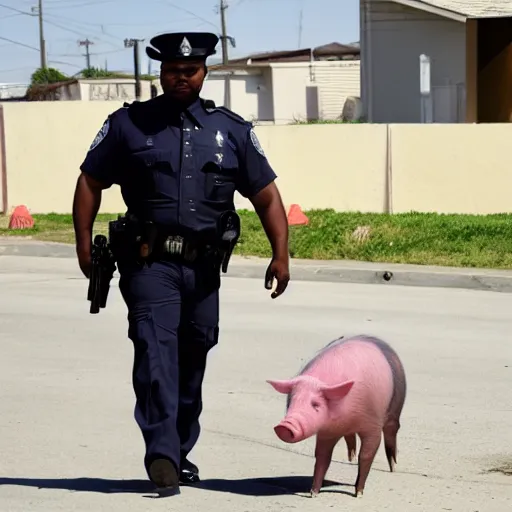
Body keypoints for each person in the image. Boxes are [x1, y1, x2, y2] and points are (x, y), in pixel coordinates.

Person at [72, 31, 290, 495]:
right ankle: (162, 454)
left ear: (204, 72)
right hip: (149, 265)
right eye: (172, 70)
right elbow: (90, 181)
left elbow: (266, 195)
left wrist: (281, 253)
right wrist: (82, 245)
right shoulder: (129, 124)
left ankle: (180, 450)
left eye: (190, 70)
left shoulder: (231, 130)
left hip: (205, 269)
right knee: (155, 351)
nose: (181, 77)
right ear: (161, 73)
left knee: (193, 359)